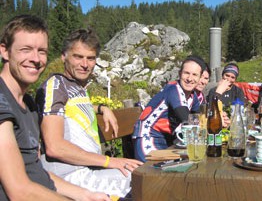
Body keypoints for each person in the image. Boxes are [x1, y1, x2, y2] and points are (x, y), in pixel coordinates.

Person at [0, 15, 110, 201]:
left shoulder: (29, 105)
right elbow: (19, 191)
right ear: (4, 51)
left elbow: (38, 172)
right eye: (26, 50)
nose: (35, 59)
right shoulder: (3, 103)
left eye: (42, 51)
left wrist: (87, 195)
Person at [36, 28, 143, 198]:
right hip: (68, 176)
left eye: (91, 58)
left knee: (147, 177)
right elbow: (54, 147)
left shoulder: (77, 88)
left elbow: (73, 108)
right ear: (64, 56)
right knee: (143, 181)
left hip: (89, 170)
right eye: (78, 56)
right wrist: (110, 161)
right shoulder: (56, 85)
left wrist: (102, 108)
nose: (85, 64)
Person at [132, 55, 206, 162]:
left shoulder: (192, 96)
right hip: (148, 137)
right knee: (159, 175)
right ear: (180, 74)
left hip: (166, 141)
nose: (190, 79)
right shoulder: (173, 89)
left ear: (199, 78)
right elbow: (185, 117)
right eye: (186, 73)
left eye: (194, 75)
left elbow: (198, 119)